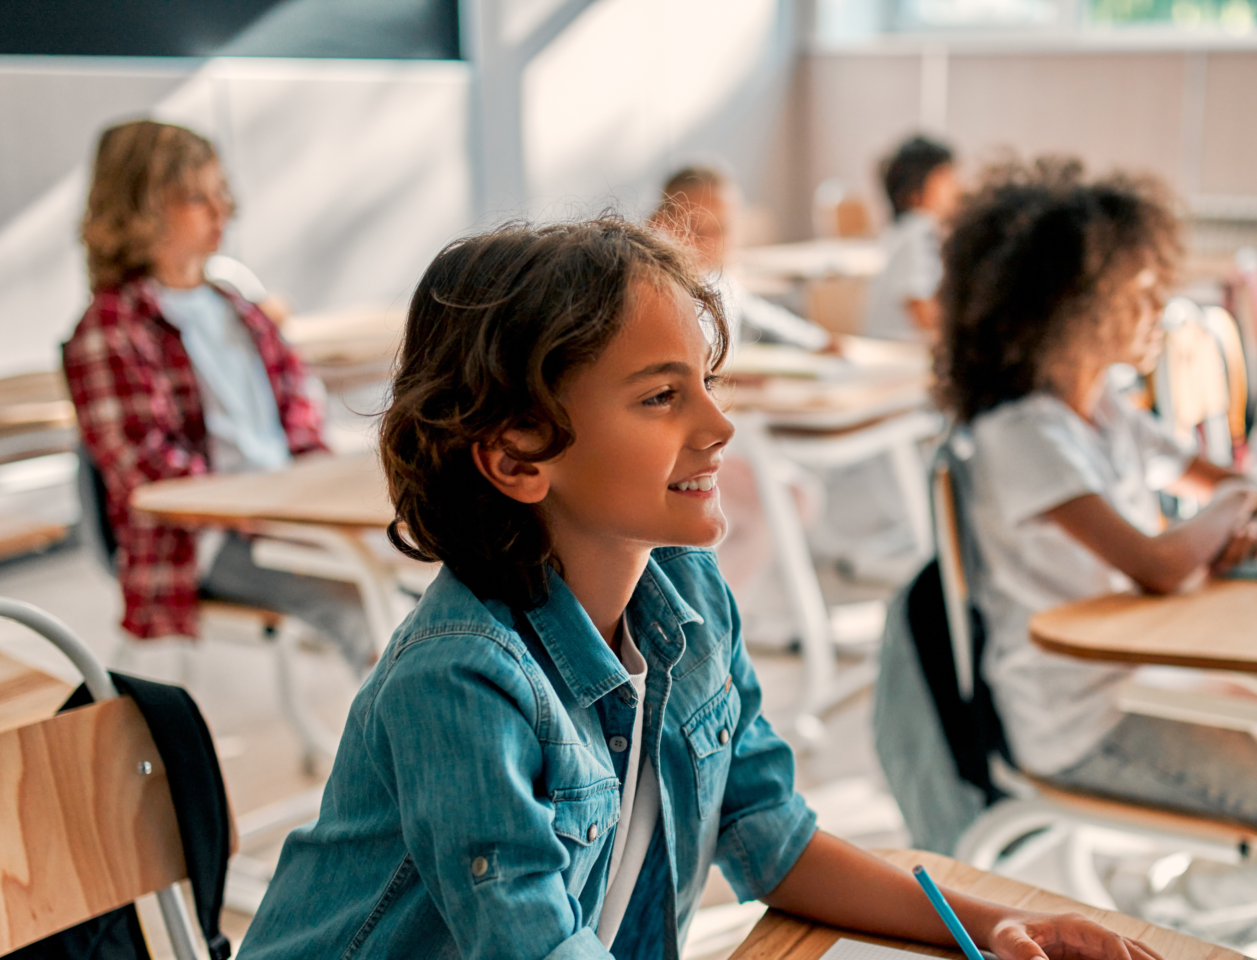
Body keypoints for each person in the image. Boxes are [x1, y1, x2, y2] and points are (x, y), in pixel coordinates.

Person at [239, 216, 1161, 960]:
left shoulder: (688, 594)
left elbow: (771, 837)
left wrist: (996, 927)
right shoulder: (460, 680)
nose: (720, 425)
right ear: (517, 456)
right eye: (660, 396)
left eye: (708, 383)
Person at [938, 158, 1257, 818]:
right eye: (1137, 293)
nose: (1157, 311)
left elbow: (1225, 483)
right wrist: (1229, 510)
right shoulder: (1020, 437)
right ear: (1067, 310)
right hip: (1080, 725)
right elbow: (1159, 564)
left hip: (1143, 677)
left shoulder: (1107, 409)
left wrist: (1233, 511)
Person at [62, 119, 372, 669]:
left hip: (284, 512)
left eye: (220, 193)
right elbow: (147, 468)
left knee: (419, 576)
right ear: (139, 211)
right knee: (360, 608)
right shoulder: (110, 328)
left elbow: (298, 410)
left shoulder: (238, 309)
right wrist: (255, 508)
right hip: (204, 541)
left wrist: (314, 493)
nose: (222, 210)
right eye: (195, 197)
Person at [651, 165, 834, 352]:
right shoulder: (653, 292)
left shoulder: (718, 282)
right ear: (660, 223)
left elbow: (764, 317)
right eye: (694, 228)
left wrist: (819, 341)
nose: (710, 243)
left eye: (721, 229)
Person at [864, 135, 961, 342]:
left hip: (892, 346)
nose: (957, 187)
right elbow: (923, 313)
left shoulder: (904, 229)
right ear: (914, 190)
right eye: (945, 177)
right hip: (899, 348)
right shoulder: (919, 230)